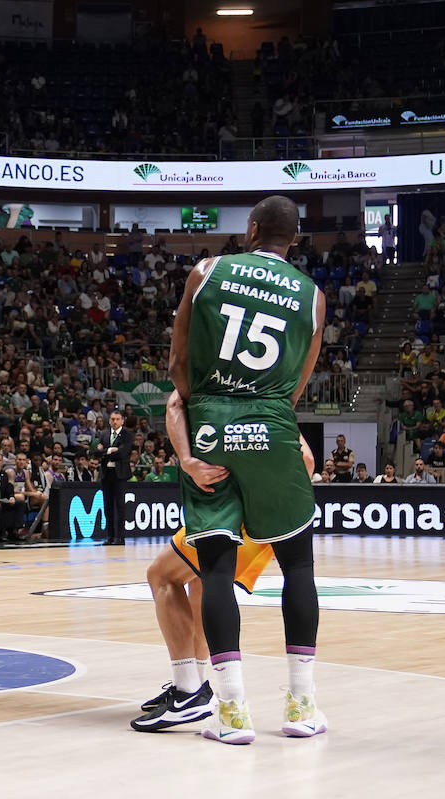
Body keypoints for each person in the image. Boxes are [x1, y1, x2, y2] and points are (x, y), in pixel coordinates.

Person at [167, 195, 327, 744]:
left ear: (251, 229)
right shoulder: (312, 296)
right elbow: (298, 380)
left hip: (211, 420)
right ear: (295, 240)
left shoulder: (207, 271)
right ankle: (301, 707)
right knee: (298, 568)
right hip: (273, 424)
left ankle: (232, 712)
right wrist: (266, 414)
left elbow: (177, 362)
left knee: (214, 569)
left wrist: (207, 409)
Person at [133, 389, 316, 732]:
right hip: (270, 516)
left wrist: (196, 465)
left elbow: (174, 403)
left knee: (162, 575)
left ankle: (189, 688)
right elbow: (306, 460)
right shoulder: (267, 393)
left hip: (227, 515)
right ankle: (199, 690)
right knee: (202, 582)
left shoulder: (206, 383)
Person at [99, 409, 133, 545]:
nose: (115, 421)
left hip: (120, 475)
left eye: (117, 419)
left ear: (122, 421)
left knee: (120, 506)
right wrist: (110, 450)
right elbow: (96, 452)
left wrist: (105, 451)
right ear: (109, 420)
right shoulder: (104, 434)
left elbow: (123, 453)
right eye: (113, 419)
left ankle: (120, 537)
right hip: (106, 473)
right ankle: (109, 536)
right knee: (107, 506)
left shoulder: (127, 435)